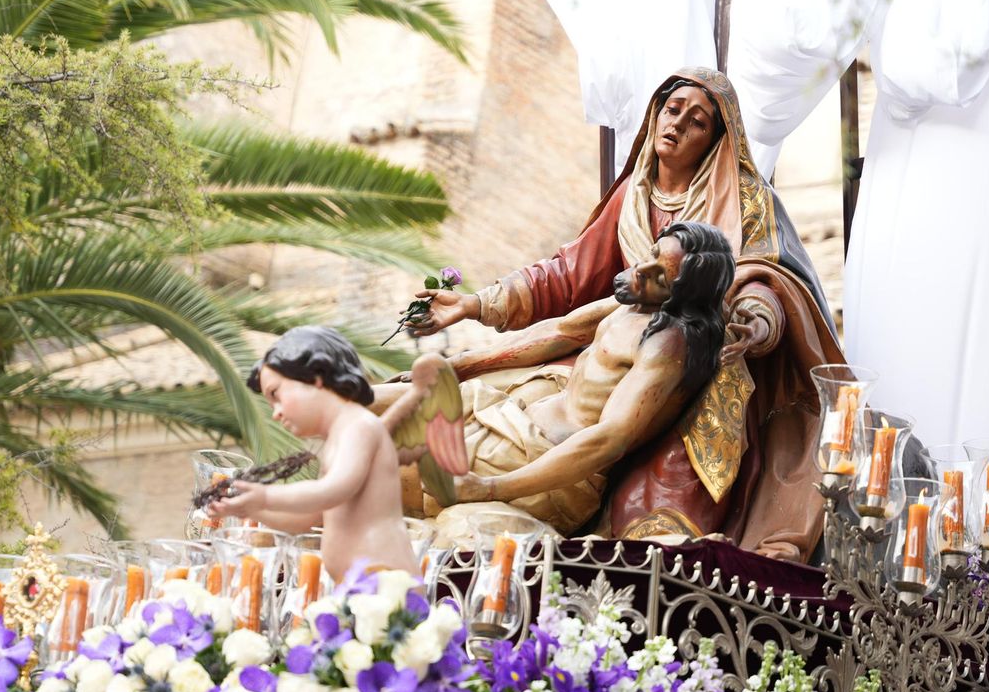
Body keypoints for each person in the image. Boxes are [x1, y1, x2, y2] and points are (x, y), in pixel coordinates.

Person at [408, 67, 843, 561]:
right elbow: (568, 276)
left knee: (674, 459)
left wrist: (754, 321)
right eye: (671, 109)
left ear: (717, 139)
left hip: (698, 363)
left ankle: (665, 540)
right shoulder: (633, 195)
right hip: (613, 348)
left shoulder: (746, 198)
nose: (676, 124)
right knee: (502, 390)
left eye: (696, 121)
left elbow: (768, 275)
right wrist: (475, 305)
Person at [385, 221, 735, 535]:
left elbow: (609, 438)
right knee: (385, 401)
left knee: (386, 460)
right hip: (510, 420)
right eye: (653, 254)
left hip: (537, 467)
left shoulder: (667, 345)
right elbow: (561, 333)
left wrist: (491, 488)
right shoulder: (632, 305)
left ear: (681, 297)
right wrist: (463, 361)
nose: (642, 270)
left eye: (661, 277)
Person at [209, 327, 419, 580]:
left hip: (384, 581)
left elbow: (334, 489)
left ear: (315, 376)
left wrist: (265, 496)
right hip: (358, 587)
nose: (275, 413)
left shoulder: (359, 426)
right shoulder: (339, 436)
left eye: (276, 395)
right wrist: (251, 510)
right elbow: (311, 519)